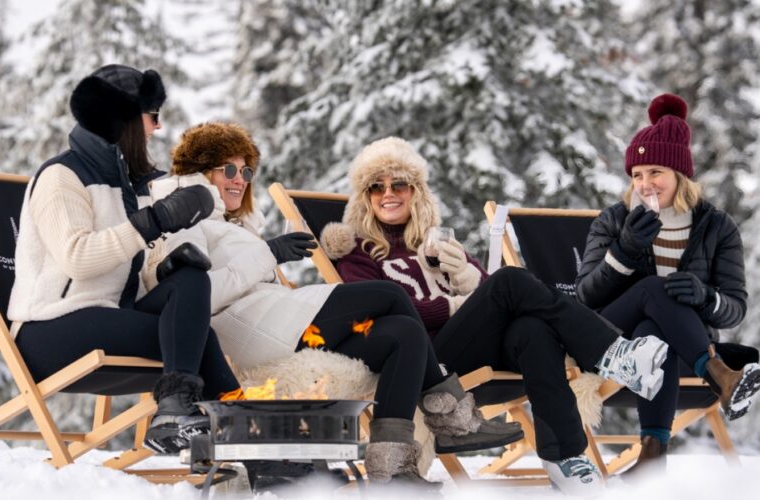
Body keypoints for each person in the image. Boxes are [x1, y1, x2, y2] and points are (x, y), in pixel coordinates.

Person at [150, 122, 524, 488]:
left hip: (276, 321)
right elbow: (191, 297)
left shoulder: (235, 223)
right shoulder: (183, 217)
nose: (240, 180)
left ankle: (392, 466)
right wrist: (268, 254)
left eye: (246, 171)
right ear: (198, 171)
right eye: (229, 170)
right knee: (389, 294)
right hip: (248, 331)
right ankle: (453, 418)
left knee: (404, 333)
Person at [320, 136, 671, 495]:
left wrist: (466, 275)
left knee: (532, 330)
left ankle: (564, 457)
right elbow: (378, 313)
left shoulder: (436, 242)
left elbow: (497, 297)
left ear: (415, 191)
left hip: (469, 348)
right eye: (376, 187)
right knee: (510, 279)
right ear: (365, 197)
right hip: (426, 362)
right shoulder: (357, 252)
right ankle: (612, 353)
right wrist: (455, 305)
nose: (387, 194)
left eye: (398, 184)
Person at [6, 65, 242, 455]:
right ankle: (248, 440)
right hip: (49, 330)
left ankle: (218, 426)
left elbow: (128, 268)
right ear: (123, 119)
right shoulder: (61, 176)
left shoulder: (130, 186)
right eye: (153, 115)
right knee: (195, 340)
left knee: (191, 282)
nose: (157, 127)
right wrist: (155, 220)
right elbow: (78, 258)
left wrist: (164, 268)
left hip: (110, 316)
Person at [575, 93, 760, 475]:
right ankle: (720, 376)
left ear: (679, 174)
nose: (645, 184)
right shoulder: (614, 221)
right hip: (610, 340)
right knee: (655, 289)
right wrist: (624, 251)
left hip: (675, 342)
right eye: (637, 175)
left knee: (654, 332)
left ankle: (652, 455)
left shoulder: (716, 226)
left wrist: (706, 297)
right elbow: (585, 297)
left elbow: (734, 308)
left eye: (655, 172)